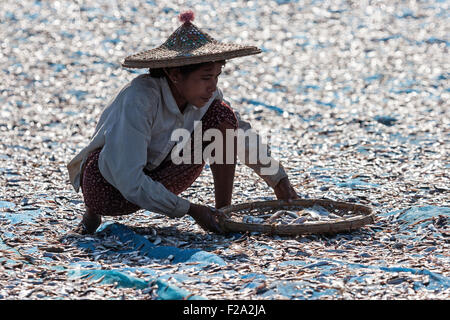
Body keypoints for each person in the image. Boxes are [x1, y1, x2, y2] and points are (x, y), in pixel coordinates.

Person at [67, 10, 299, 235]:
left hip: (162, 173)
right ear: (175, 75)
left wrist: (279, 180)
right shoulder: (140, 98)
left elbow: (242, 134)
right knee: (110, 188)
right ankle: (91, 213)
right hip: (108, 189)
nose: (213, 86)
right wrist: (191, 210)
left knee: (224, 117)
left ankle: (222, 213)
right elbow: (129, 180)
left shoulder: (206, 98)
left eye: (217, 77)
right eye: (206, 78)